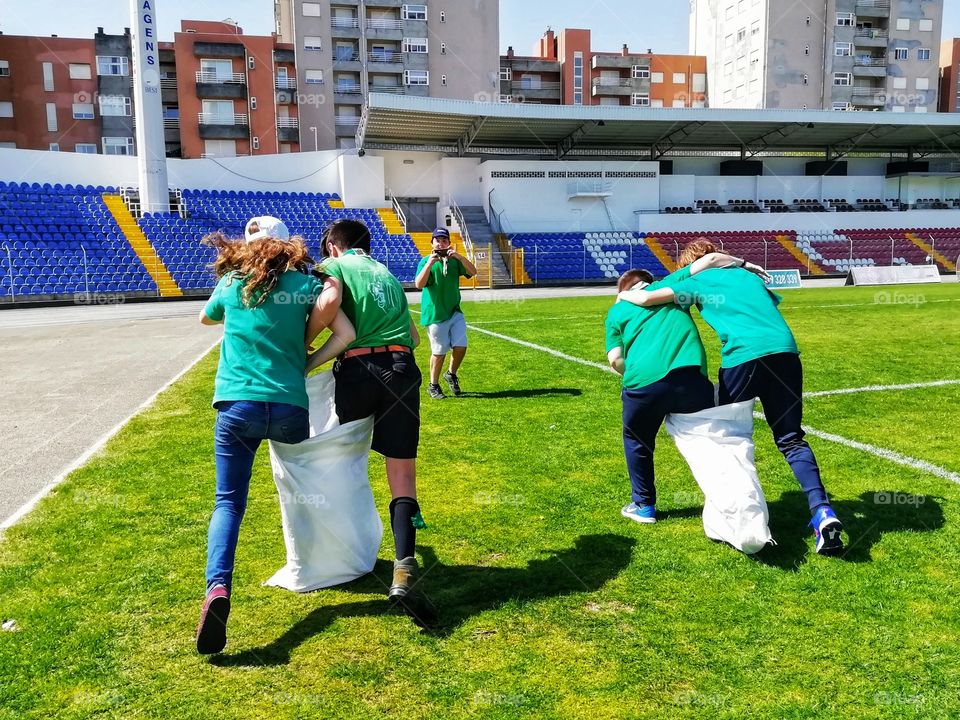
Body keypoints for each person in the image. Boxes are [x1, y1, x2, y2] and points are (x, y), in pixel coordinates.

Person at [618, 239, 844, 555]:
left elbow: (647, 299)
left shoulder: (695, 281)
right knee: (791, 438)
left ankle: (739, 516)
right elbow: (766, 305)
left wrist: (624, 294)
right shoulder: (750, 277)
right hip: (786, 353)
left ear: (689, 264)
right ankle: (822, 511)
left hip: (743, 358)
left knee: (724, 436)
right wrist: (741, 265)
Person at [196, 216, 355, 655]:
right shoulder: (304, 285)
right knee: (306, 485)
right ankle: (323, 561)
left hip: (237, 404)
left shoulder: (231, 283)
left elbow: (205, 320)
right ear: (287, 245)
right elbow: (345, 333)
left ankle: (218, 589)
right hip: (289, 405)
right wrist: (304, 359)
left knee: (228, 502)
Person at [309, 218, 426, 607]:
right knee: (402, 471)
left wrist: (306, 351)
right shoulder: (388, 276)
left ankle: (346, 553)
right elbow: (413, 336)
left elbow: (327, 304)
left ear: (333, 247)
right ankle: (404, 566)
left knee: (345, 463)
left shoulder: (334, 267)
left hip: (360, 370)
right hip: (403, 370)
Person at [606, 251, 768, 525]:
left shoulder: (616, 310)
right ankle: (728, 503)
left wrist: (631, 371)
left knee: (638, 442)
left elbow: (615, 359)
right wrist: (744, 263)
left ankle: (644, 505)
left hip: (643, 386)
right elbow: (709, 261)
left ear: (622, 290)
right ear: (648, 281)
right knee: (711, 441)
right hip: (691, 379)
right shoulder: (669, 288)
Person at [414, 227, 477, 399]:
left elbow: (473, 272)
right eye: (437, 240)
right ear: (432, 243)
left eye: (444, 240)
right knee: (439, 352)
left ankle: (451, 373)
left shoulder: (455, 260)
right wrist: (429, 263)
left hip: (454, 311)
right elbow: (419, 284)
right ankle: (433, 385)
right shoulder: (425, 261)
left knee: (461, 347)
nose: (441, 243)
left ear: (449, 243)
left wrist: (459, 256)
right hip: (435, 314)